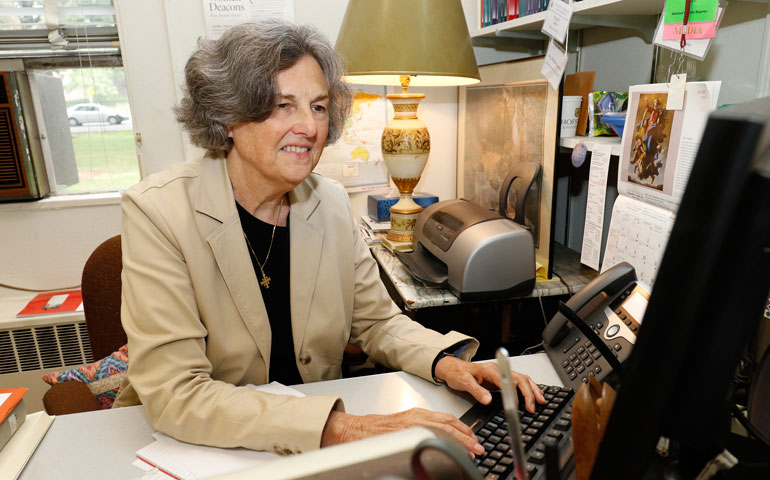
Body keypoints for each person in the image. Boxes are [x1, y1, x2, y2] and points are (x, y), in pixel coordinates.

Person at [113, 19, 545, 456]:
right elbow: (177, 393)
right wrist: (345, 427)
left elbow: (376, 322)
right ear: (227, 116)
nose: (309, 126)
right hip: (204, 450)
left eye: (319, 107)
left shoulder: (332, 203)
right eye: (283, 105)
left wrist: (445, 363)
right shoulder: (158, 212)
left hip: (310, 449)